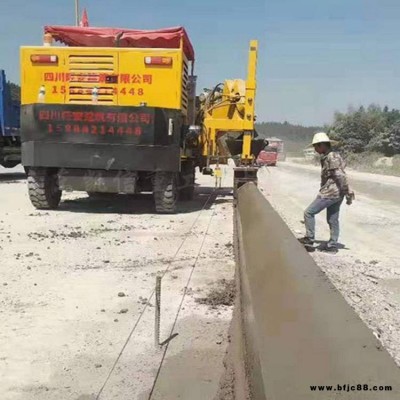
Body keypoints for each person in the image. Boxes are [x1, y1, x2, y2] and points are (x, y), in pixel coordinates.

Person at [299, 132, 354, 253]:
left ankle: (309, 239)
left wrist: (347, 191)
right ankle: (332, 245)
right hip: (336, 193)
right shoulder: (328, 156)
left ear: (322, 145)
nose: (315, 149)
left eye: (316, 146)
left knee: (309, 212)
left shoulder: (331, 157)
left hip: (331, 193)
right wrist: (345, 192)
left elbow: (340, 175)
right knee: (333, 219)